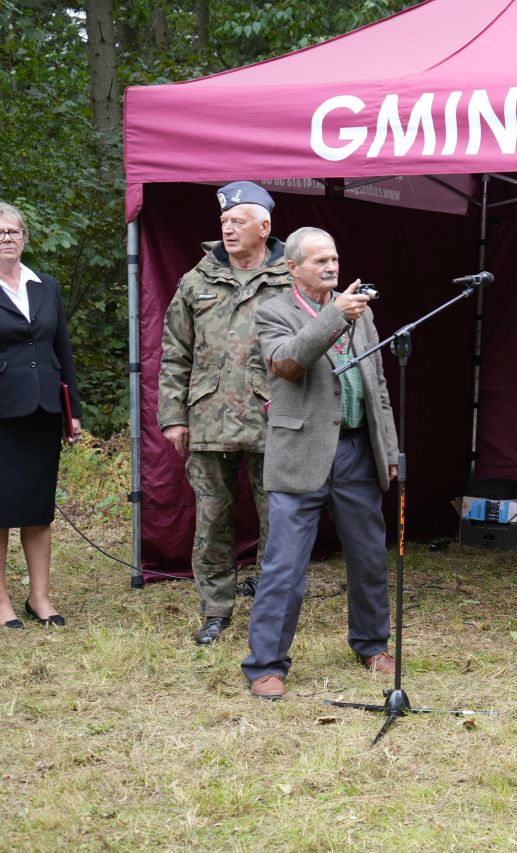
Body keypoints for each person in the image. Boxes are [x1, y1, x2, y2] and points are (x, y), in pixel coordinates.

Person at [241, 227, 399, 700]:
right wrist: (334, 316)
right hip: (300, 453)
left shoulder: (361, 313)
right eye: (319, 261)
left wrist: (387, 447)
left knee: (369, 557)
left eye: (334, 258)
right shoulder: (274, 312)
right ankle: (266, 665)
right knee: (285, 566)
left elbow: (377, 385)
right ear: (292, 268)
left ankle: (372, 644)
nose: (331, 267)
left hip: (356, 451)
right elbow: (287, 364)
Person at [157, 182, 292, 645]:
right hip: (209, 418)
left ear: (264, 227)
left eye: (238, 221)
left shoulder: (293, 277)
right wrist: (173, 416)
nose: (228, 229)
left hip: (276, 418)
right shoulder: (196, 281)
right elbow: (175, 353)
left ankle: (273, 605)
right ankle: (215, 610)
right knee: (212, 519)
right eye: (224, 222)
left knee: (279, 518)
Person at [0, 201, 82, 629]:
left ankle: (40, 598)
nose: (6, 239)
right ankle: (1, 603)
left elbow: (61, 348)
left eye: (13, 231)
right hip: (2, 413)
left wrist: (73, 410)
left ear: (24, 237)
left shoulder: (45, 285)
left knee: (37, 509)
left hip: (43, 411)